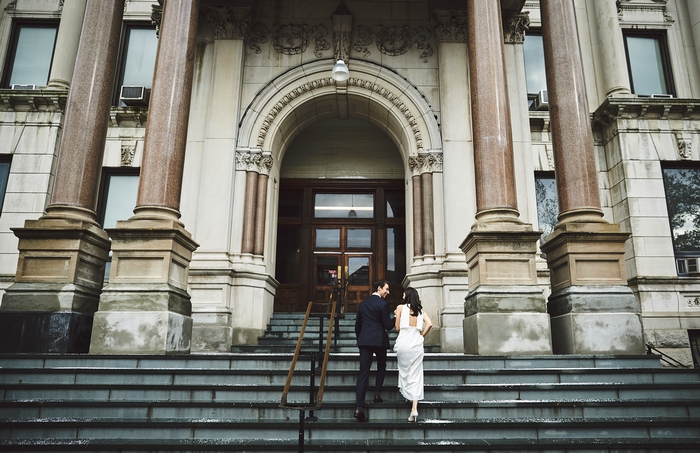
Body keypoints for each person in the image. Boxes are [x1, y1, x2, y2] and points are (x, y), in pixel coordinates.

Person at [354, 279, 395, 422]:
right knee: (381, 365)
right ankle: (377, 394)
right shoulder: (383, 305)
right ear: (379, 288)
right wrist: (396, 316)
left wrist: (361, 339)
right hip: (379, 340)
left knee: (363, 372)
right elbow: (388, 326)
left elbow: (357, 325)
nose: (388, 292)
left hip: (364, 340)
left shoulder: (363, 304)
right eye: (386, 289)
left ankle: (359, 407)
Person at [393, 287, 432, 422]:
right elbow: (430, 324)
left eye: (404, 293)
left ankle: (407, 394)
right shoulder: (421, 310)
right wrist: (421, 336)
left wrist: (396, 315)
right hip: (416, 343)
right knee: (416, 374)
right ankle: (414, 408)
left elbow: (397, 327)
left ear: (407, 295)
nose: (403, 295)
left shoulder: (400, 308)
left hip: (404, 342)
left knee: (405, 371)